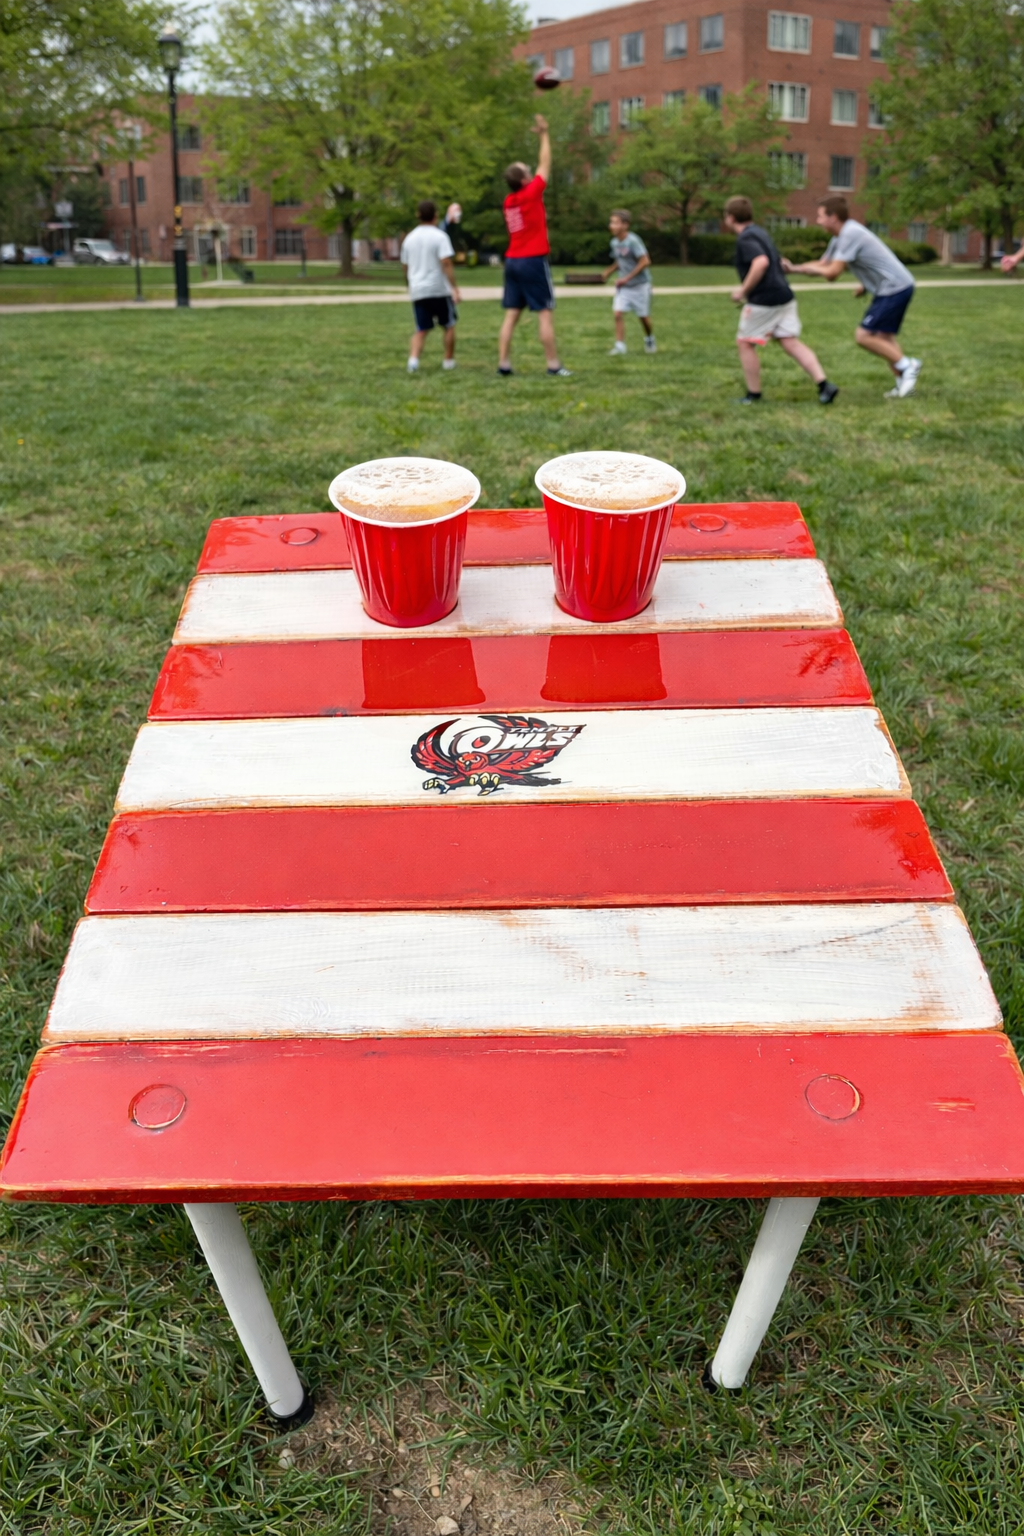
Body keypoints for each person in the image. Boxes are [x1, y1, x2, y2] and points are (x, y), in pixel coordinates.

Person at [783, 195, 921, 398]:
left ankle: (908, 365)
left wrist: (803, 270)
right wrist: (793, 269)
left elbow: (832, 273)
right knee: (884, 338)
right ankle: (903, 383)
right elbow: (823, 264)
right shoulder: (839, 237)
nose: (818, 221)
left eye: (820, 217)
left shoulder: (849, 234)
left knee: (864, 336)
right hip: (891, 287)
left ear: (834, 217)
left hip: (894, 288)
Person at [723, 196, 838, 406]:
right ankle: (824, 385)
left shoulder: (745, 238)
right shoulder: (760, 232)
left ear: (730, 217)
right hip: (785, 295)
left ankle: (753, 395)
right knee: (789, 341)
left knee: (745, 344)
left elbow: (760, 262)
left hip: (765, 299)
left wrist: (742, 290)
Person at [497, 114, 571, 378]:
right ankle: (553, 365)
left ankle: (503, 365)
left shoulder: (509, 201)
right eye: (526, 169)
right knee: (544, 314)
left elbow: (537, 167)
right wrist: (543, 134)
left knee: (511, 315)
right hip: (532, 260)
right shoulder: (530, 194)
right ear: (526, 179)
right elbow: (545, 163)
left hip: (513, 261)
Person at [400, 200, 460, 374]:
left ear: (417, 216)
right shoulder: (440, 236)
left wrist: (409, 284)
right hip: (439, 289)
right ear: (435, 216)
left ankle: (413, 361)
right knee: (448, 325)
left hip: (419, 289)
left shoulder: (409, 239)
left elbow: (405, 266)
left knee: (421, 328)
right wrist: (454, 288)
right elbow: (446, 262)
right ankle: (448, 361)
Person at [602, 210, 655, 355]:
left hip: (640, 285)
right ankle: (620, 346)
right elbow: (620, 261)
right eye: (611, 222)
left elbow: (645, 261)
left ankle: (649, 338)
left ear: (625, 225)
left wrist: (627, 278)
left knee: (643, 318)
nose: (611, 226)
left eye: (615, 222)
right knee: (618, 314)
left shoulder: (633, 241)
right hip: (624, 287)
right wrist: (609, 271)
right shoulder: (614, 243)